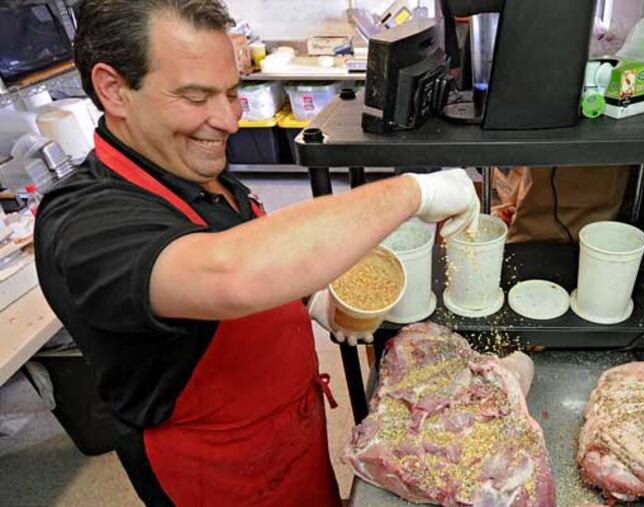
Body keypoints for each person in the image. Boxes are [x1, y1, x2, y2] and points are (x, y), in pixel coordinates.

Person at [33, 1, 480, 506]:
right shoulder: (84, 224)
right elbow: (230, 271)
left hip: (291, 434)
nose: (228, 121)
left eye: (231, 92)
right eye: (196, 96)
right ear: (114, 89)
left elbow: (256, 246)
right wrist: (414, 192)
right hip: (217, 473)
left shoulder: (190, 168)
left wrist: (311, 299)